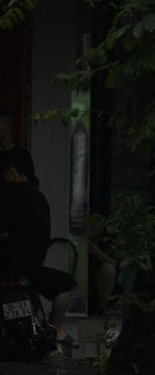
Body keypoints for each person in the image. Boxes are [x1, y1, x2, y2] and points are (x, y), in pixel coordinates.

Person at [0, 147, 77, 353]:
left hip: (8, 266)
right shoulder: (39, 198)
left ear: (12, 171)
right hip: (31, 268)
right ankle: (57, 330)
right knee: (66, 286)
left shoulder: (6, 197)